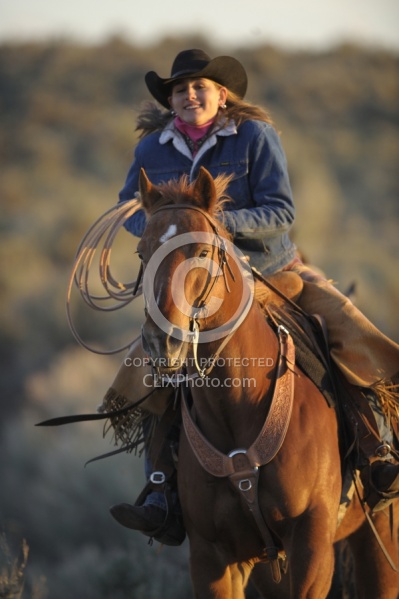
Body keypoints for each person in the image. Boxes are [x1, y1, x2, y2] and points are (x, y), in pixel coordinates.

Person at [103, 49, 399, 544]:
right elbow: (127, 206)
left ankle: (375, 454)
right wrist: (160, 229)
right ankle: (160, 490)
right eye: (181, 90)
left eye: (200, 87)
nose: (191, 95)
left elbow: (280, 210)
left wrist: (215, 229)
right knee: (150, 364)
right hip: (189, 288)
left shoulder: (255, 137)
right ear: (171, 101)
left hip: (270, 271)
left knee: (342, 329)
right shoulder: (151, 149)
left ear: (222, 95)